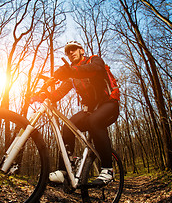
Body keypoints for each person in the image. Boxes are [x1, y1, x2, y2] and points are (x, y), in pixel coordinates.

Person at [32, 41, 120, 185]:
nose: (70, 53)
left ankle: (108, 170)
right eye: (67, 52)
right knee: (68, 126)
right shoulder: (72, 74)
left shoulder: (94, 60)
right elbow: (60, 92)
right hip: (90, 111)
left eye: (73, 49)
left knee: (94, 122)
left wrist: (70, 71)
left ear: (82, 51)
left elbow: (94, 69)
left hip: (109, 104)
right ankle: (64, 170)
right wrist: (41, 96)